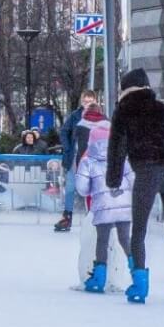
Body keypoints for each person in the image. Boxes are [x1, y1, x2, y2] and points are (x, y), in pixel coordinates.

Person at [105, 68, 164, 305]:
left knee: (139, 230)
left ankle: (140, 284)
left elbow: (116, 149)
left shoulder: (123, 112)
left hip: (146, 174)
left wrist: (113, 181)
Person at [73, 109, 130, 293]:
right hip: (123, 209)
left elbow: (82, 188)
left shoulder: (88, 158)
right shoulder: (123, 158)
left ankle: (96, 279)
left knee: (98, 242)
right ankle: (134, 275)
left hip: (99, 209)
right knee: (123, 243)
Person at [55, 97, 104, 233]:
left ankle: (94, 217)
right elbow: (64, 131)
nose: (87, 104)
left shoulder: (102, 119)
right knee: (71, 186)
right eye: (85, 101)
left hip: (93, 160)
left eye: (90, 101)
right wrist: (68, 148)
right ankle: (67, 216)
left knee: (94, 188)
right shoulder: (75, 117)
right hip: (75, 158)